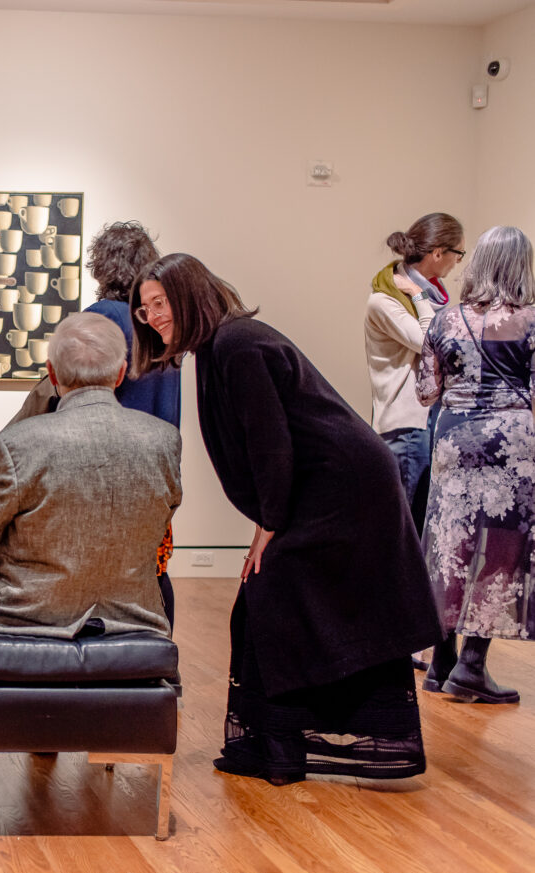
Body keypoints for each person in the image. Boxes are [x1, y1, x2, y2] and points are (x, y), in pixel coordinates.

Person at [130, 253, 442, 785]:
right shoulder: (219, 346)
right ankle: (275, 742)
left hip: (346, 488)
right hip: (325, 483)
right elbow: (267, 448)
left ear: (189, 295)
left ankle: (286, 743)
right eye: (144, 309)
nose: (153, 316)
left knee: (273, 592)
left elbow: (270, 444)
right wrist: (266, 524)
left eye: (160, 303)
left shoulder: (236, 343)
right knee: (264, 597)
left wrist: (267, 528)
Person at [0, 312, 181, 639]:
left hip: (24, 615)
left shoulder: (17, 443)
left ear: (52, 373)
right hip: (134, 616)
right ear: (120, 373)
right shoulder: (165, 441)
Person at [10, 220, 182, 624]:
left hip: (96, 477)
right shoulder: (159, 328)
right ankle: (156, 656)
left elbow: (56, 394)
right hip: (153, 475)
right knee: (150, 572)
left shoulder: (97, 320)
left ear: (100, 267)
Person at [418, 226, 535, 704]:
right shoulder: (530, 322)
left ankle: (440, 661)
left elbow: (427, 391)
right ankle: (471, 664)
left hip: (455, 436)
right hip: (512, 440)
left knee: (449, 541)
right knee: (502, 548)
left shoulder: (445, 321)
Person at [366, 212, 465, 533]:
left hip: (428, 423)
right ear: (438, 253)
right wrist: (421, 297)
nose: (458, 263)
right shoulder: (385, 301)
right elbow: (429, 342)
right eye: (458, 254)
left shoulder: (431, 299)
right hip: (406, 426)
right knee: (404, 530)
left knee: (421, 527)